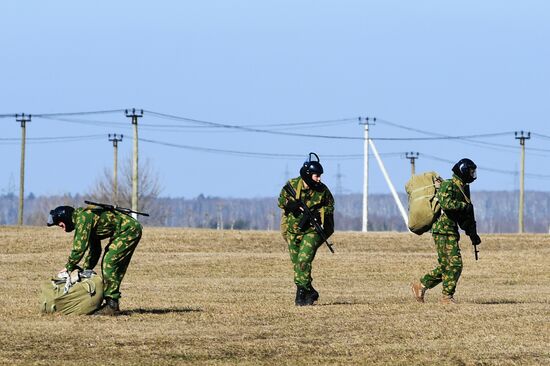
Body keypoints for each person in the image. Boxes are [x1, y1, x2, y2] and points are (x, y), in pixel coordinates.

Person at [47, 204, 142, 315]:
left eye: (60, 225)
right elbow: (95, 251)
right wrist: (85, 271)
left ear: (66, 218)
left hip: (128, 230)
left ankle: (112, 305)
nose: (62, 229)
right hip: (128, 230)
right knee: (111, 261)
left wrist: (69, 267)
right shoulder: (86, 218)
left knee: (109, 262)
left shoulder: (83, 218)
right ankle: (111, 302)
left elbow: (79, 248)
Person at [411, 158, 481, 304]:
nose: (473, 175)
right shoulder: (448, 185)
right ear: (462, 171)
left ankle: (421, 286)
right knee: (455, 265)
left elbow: (465, 216)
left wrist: (472, 234)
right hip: (442, 230)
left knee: (446, 266)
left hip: (451, 230)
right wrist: (464, 206)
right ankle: (447, 297)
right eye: (470, 171)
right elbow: (446, 203)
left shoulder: (462, 188)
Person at [278, 153, 335, 306]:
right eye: (317, 175)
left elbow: (330, 206)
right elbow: (281, 200)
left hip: (312, 231)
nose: (319, 179)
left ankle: (301, 295)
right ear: (308, 175)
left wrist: (319, 213)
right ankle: (310, 291)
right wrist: (292, 205)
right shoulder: (292, 185)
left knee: (303, 261)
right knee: (298, 264)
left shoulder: (322, 191)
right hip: (293, 231)